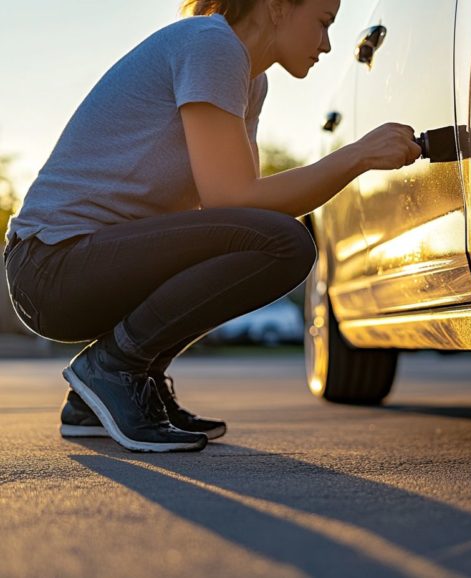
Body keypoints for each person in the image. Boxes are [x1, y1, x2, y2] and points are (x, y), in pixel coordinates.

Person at [2, 0, 421, 453]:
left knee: (267, 239)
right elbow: (234, 200)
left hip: (77, 267)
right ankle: (114, 368)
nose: (326, 44)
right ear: (278, 7)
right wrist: (356, 156)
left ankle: (102, 398)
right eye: (323, 23)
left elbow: (239, 209)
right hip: (50, 266)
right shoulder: (211, 45)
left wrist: (352, 160)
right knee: (285, 244)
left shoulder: (250, 80)